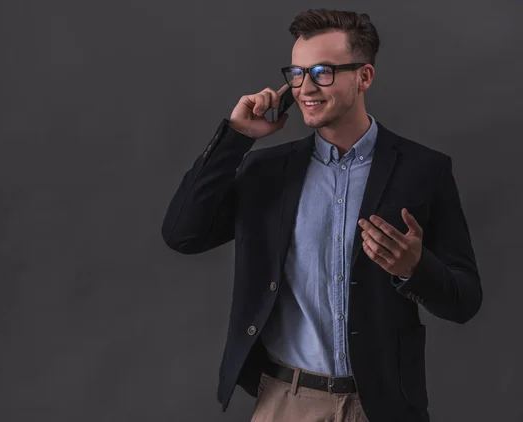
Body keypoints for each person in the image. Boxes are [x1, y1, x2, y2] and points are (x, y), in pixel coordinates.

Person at [161, 8, 482, 422]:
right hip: (287, 402)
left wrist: (414, 269)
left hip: (383, 406)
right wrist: (236, 139)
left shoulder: (424, 170)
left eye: (322, 72)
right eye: (296, 73)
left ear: (364, 77)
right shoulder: (267, 172)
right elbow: (182, 234)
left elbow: (465, 300)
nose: (304, 88)